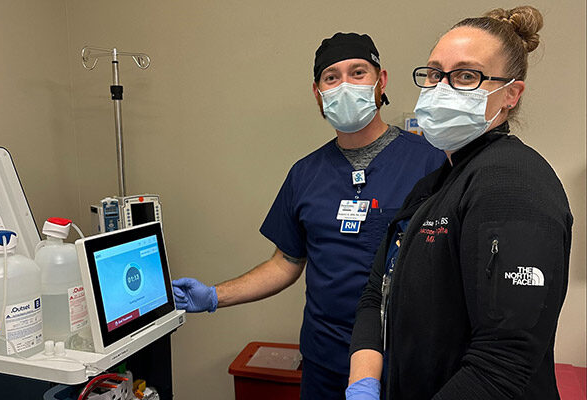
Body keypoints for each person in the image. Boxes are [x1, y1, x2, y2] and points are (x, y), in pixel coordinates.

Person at [173, 32, 445, 399]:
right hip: (326, 363)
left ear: (381, 82)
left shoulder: (432, 161)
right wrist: (213, 296)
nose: (344, 85)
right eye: (331, 77)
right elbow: (286, 262)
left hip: (408, 361)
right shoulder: (305, 174)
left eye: (358, 72)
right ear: (318, 94)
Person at [347, 6, 573, 400]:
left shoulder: (514, 183)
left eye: (466, 76)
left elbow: (503, 364)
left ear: (510, 94)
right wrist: (363, 380)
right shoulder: (434, 185)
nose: (440, 88)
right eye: (434, 73)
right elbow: (376, 292)